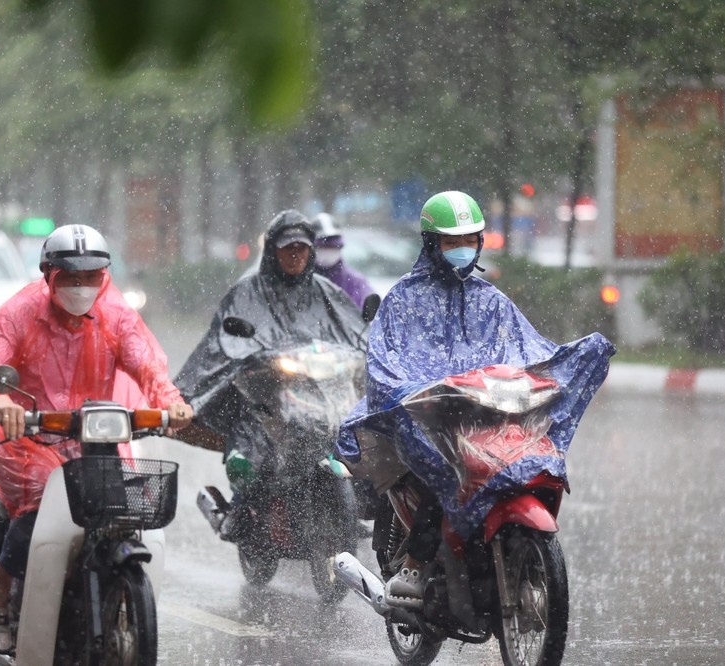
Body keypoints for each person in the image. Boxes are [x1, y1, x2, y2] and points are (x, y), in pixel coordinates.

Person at [336, 191, 614, 608]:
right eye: (451, 242)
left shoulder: (492, 301)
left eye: (469, 240)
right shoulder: (402, 301)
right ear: (432, 244)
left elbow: (528, 351)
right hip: (427, 416)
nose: (461, 249)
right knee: (447, 470)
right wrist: (410, 391)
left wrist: (559, 369)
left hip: (481, 413)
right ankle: (415, 560)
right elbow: (384, 364)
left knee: (522, 461)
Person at [0, 223, 193, 652]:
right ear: (49, 275)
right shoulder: (22, 313)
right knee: (35, 510)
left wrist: (171, 401)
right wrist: (1, 401)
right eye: (71, 276)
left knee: (124, 507)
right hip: (31, 441)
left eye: (91, 276)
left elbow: (148, 366)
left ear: (105, 275)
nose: (81, 285)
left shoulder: (116, 316)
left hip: (97, 437)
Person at [174, 209, 369, 538]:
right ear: (273, 251)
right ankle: (240, 507)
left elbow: (355, 334)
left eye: (302, 248)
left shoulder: (326, 292)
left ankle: (345, 511)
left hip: (318, 395)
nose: (295, 255)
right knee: (252, 443)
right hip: (266, 398)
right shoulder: (246, 291)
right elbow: (226, 343)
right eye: (287, 248)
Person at [310, 212, 377, 309]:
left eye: (332, 247)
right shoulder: (299, 280)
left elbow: (373, 312)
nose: (328, 251)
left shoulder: (355, 282)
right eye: (322, 247)